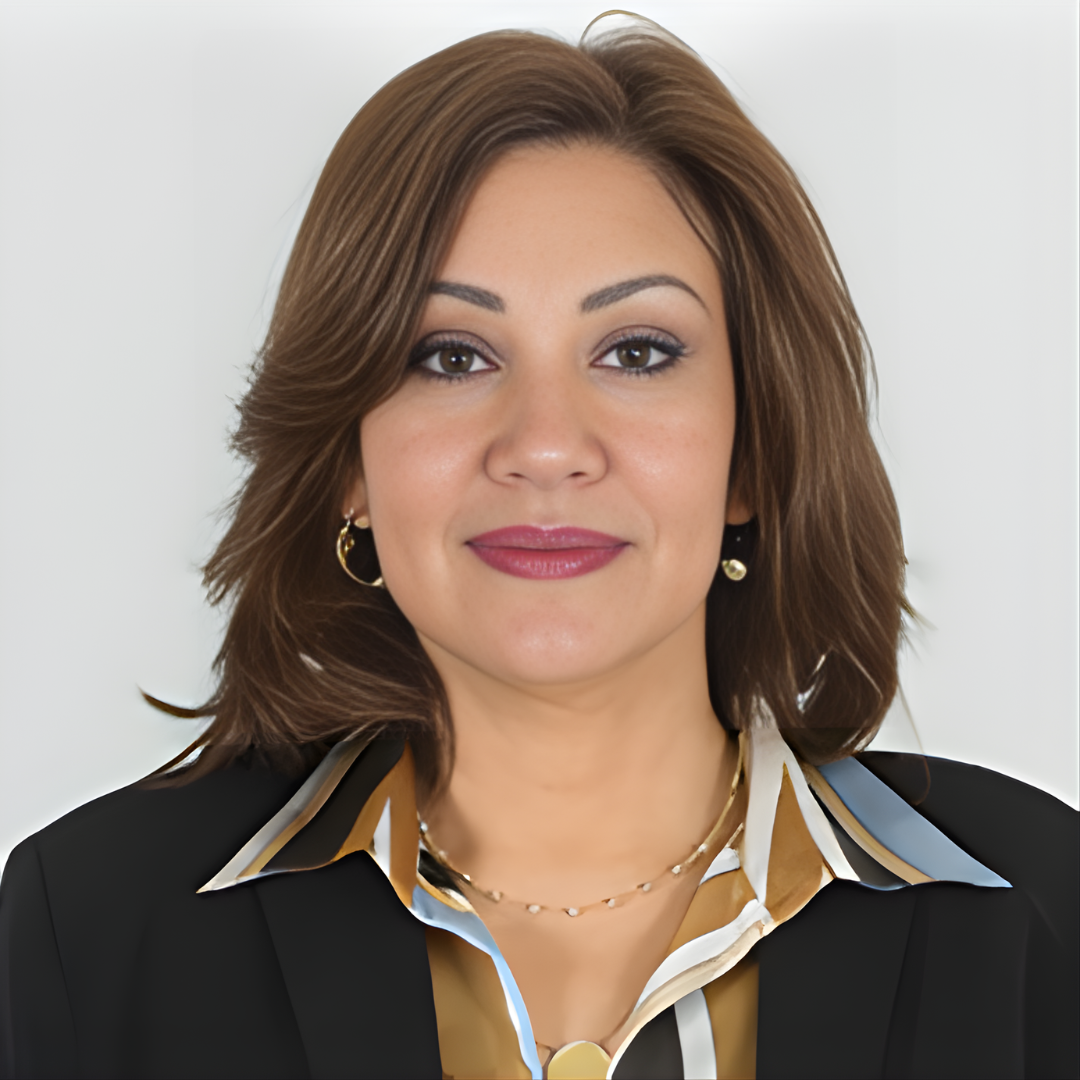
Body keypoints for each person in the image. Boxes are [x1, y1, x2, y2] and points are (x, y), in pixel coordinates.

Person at [1, 16, 1075, 1080]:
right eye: (451, 357)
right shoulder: (87, 933)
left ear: (752, 451)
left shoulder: (1043, 913)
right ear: (349, 464)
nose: (547, 445)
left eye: (637, 352)